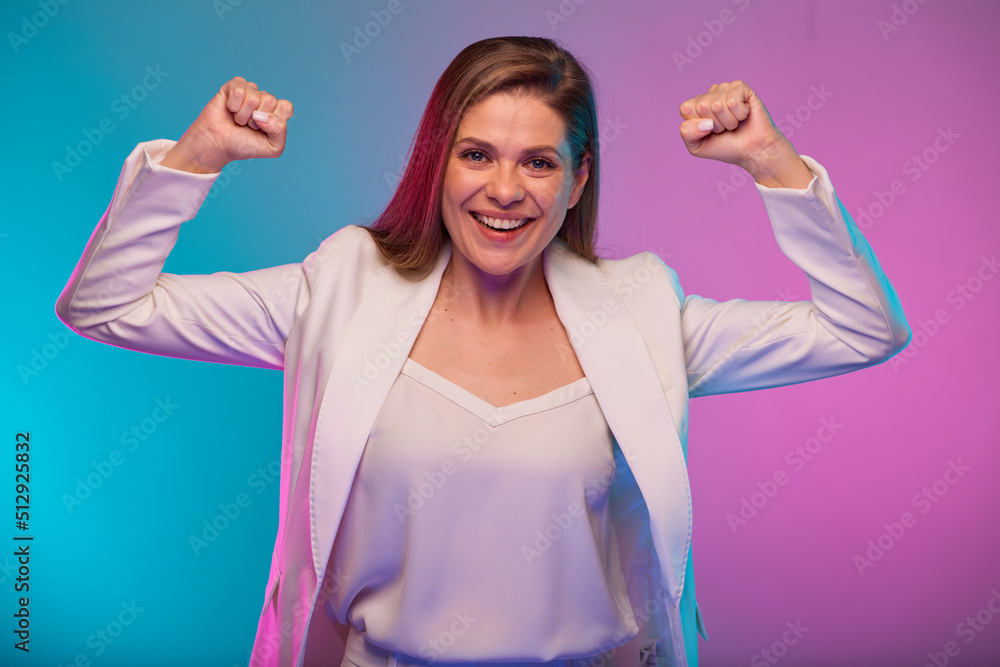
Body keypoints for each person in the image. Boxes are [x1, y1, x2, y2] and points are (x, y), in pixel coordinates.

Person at [56, 36, 909, 667]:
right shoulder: (339, 289)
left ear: (577, 182)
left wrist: (769, 159)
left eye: (539, 162)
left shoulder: (644, 310)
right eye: (477, 155)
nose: (505, 190)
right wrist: (198, 155)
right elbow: (105, 304)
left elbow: (863, 327)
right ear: (438, 166)